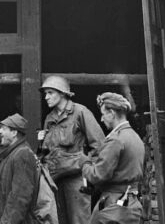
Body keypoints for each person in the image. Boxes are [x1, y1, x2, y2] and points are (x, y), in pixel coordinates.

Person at [39, 76, 105, 224]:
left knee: (78, 220)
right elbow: (46, 150)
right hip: (54, 179)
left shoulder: (80, 112)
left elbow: (99, 146)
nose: (46, 97)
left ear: (62, 93)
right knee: (57, 219)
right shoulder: (49, 118)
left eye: (50, 93)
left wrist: (89, 172)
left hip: (76, 180)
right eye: (45, 94)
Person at [81, 92, 145, 224]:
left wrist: (85, 163)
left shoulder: (116, 139)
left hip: (113, 205)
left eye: (103, 114)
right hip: (132, 204)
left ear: (112, 113)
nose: (101, 119)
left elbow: (98, 175)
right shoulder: (134, 136)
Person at [0, 114, 38, 224]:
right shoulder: (11, 154)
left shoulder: (23, 154)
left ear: (14, 133)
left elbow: (19, 198)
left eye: (3, 128)